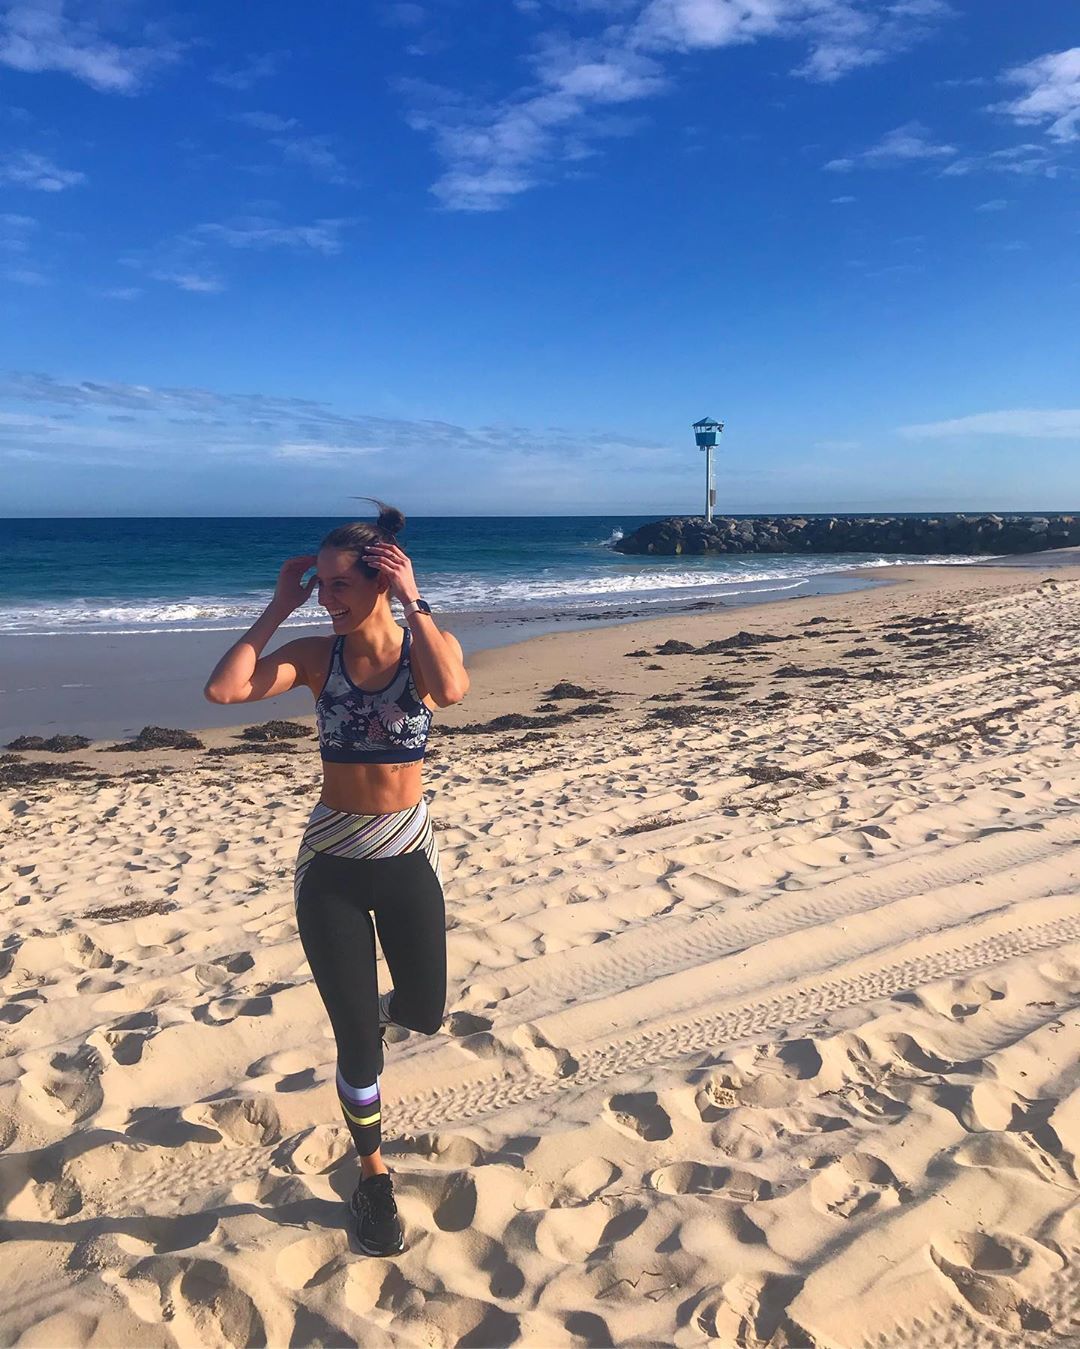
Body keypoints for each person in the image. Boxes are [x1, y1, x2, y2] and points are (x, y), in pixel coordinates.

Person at [203, 498, 469, 1256]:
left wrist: (415, 599)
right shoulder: (317, 656)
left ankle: (378, 1012)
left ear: (382, 579)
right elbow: (224, 691)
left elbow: (451, 691)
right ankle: (372, 1172)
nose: (326, 597)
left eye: (339, 584)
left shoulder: (427, 646)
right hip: (331, 866)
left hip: (407, 853)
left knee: (423, 1010)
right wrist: (277, 608)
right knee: (357, 1042)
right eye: (319, 584)